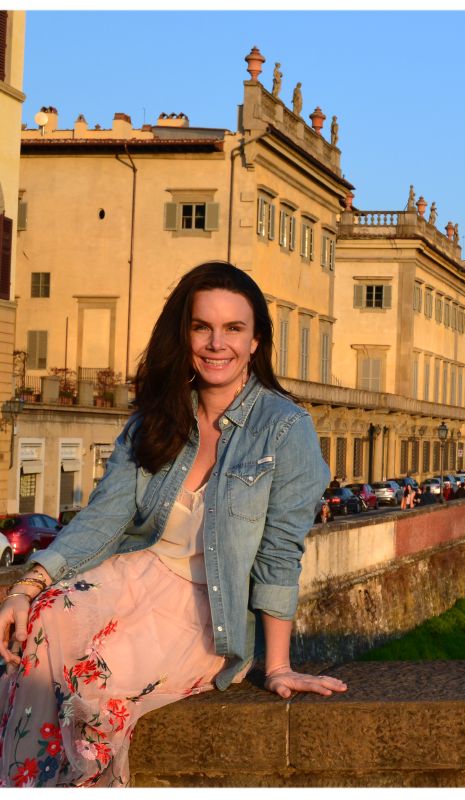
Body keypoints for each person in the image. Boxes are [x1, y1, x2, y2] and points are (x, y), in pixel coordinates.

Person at [0, 262, 346, 787]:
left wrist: (277, 667)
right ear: (184, 334)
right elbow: (104, 517)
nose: (216, 343)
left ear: (256, 342)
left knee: (92, 682)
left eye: (234, 329)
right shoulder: (158, 416)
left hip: (206, 612)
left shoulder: (284, 428)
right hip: (134, 578)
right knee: (40, 625)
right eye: (202, 327)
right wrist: (27, 586)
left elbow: (279, 554)